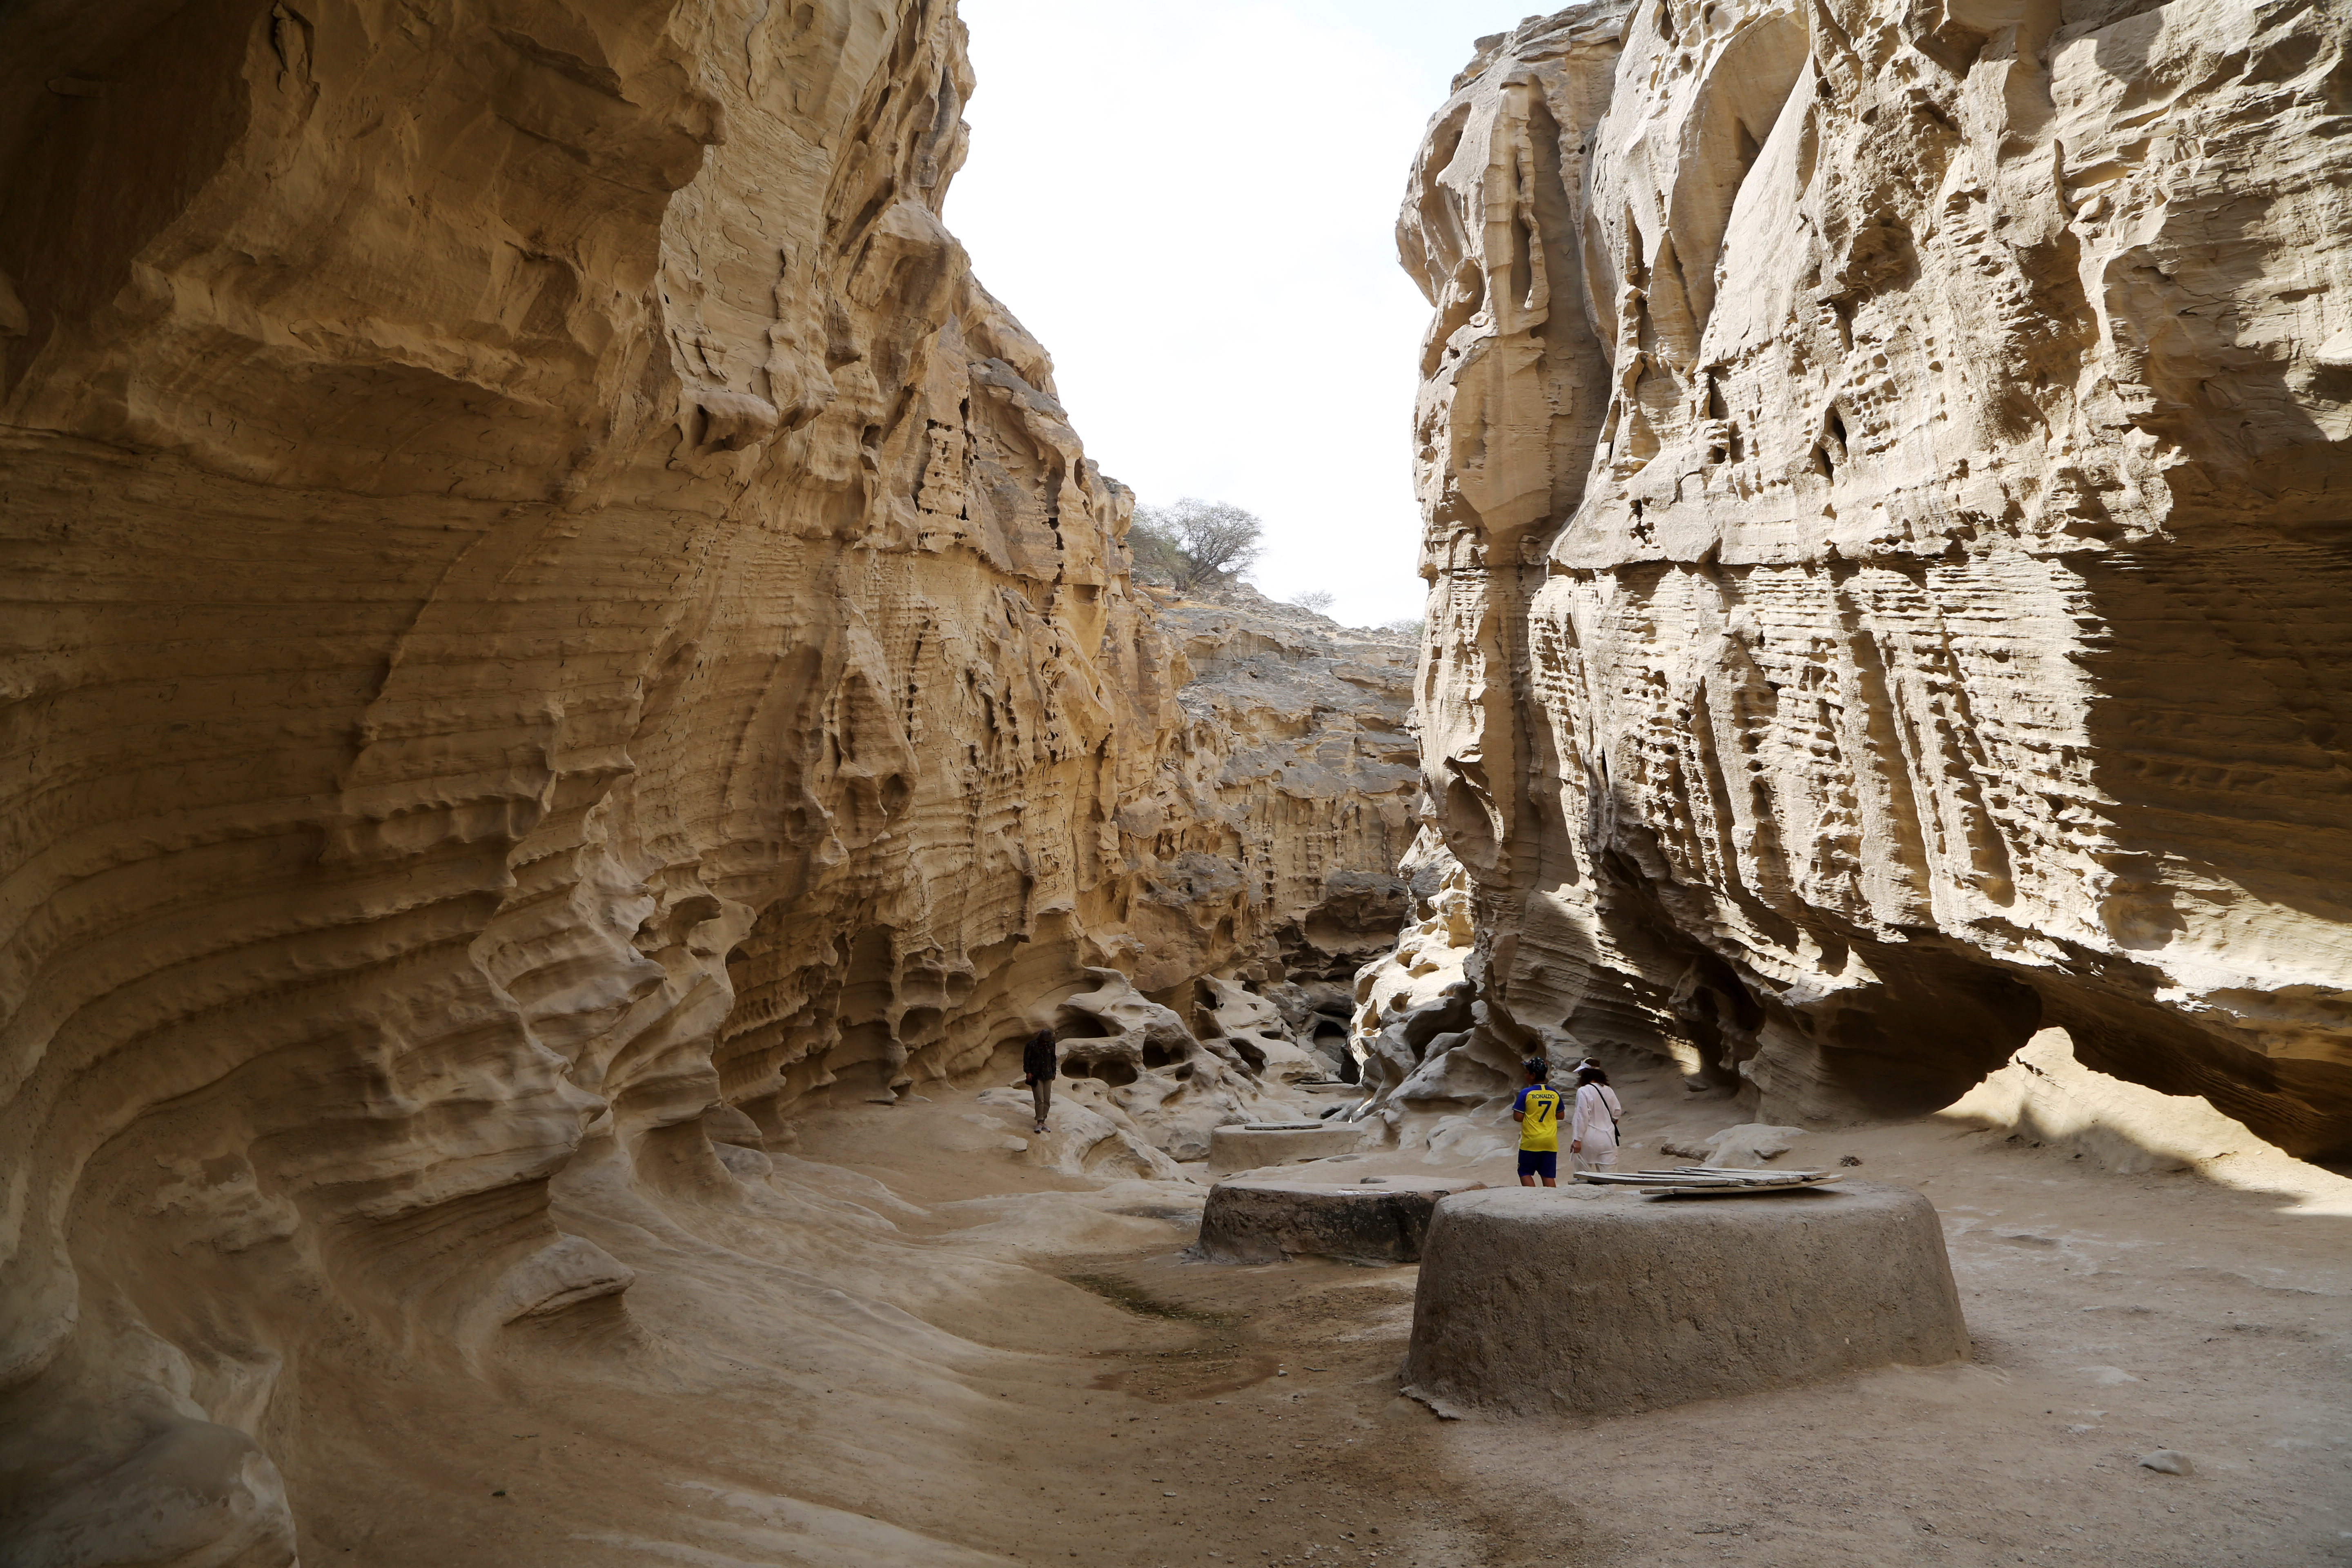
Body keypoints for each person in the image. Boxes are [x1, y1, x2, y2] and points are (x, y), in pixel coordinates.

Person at [1508, 1057, 1566, 1188]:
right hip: (1550, 1141)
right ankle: (1553, 1201)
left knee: (1525, 1172)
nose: (1525, 1075)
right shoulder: (1554, 1093)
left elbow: (1518, 1117)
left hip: (1531, 1141)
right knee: (1548, 1175)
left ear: (1533, 1075)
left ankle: (1532, 1200)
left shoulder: (1526, 1093)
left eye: (1527, 1072)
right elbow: (1561, 1115)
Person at [1569, 1064, 1624, 1176]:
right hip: (1608, 1138)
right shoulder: (1609, 1090)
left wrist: (1577, 1140)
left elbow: (1582, 1117)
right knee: (1609, 1177)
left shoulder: (1583, 1091)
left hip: (1588, 1137)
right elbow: (1617, 1113)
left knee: (1582, 1175)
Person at [1021, 1029, 1058, 1134]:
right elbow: (1026, 1060)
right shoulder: (1031, 1045)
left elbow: (1053, 1059)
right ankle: (1039, 1121)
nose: (1045, 1044)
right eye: (1044, 1041)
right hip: (1036, 1076)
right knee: (1040, 1099)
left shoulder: (1051, 1045)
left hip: (1048, 1075)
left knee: (1047, 1099)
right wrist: (1028, 1072)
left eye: (1047, 1042)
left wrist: (1054, 1072)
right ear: (1040, 1039)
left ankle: (1043, 1121)